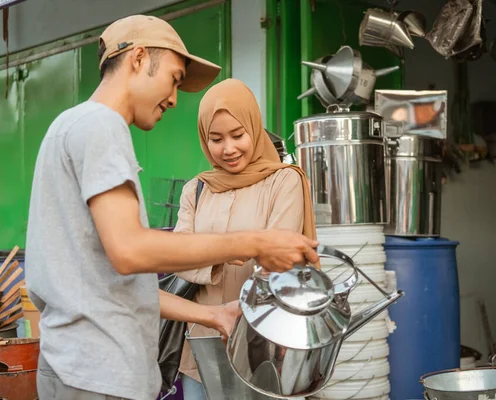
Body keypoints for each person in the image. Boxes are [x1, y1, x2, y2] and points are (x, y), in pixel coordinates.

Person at [25, 15, 318, 400]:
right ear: (138, 58)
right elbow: (131, 251)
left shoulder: (67, 126)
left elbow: (117, 280)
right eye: (175, 78)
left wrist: (212, 314)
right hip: (100, 372)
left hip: (76, 366)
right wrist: (255, 242)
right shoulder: (102, 127)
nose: (174, 98)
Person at [172, 78, 317, 399]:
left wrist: (207, 253)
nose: (228, 149)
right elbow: (177, 260)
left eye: (238, 135)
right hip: (202, 342)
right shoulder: (195, 190)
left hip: (265, 346)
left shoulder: (284, 181)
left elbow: (280, 261)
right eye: (216, 139)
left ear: (255, 127)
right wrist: (228, 252)